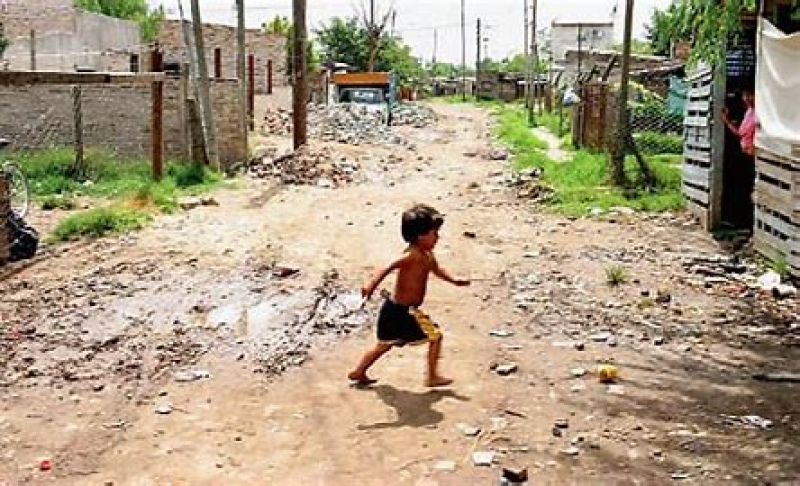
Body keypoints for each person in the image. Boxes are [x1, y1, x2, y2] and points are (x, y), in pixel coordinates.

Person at [348, 203, 471, 388]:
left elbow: (437, 270)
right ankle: (432, 376)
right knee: (435, 336)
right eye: (434, 233)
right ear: (420, 236)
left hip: (397, 311)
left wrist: (454, 280)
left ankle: (359, 371)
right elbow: (387, 266)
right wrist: (371, 285)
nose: (437, 237)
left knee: (384, 345)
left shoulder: (428, 255)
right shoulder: (411, 256)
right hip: (402, 312)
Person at [721, 88, 757, 157]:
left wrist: (727, 121)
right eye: (744, 96)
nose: (746, 98)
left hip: (751, 152)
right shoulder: (749, 110)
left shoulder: (754, 112)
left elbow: (740, 133)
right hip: (747, 150)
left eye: (749, 95)